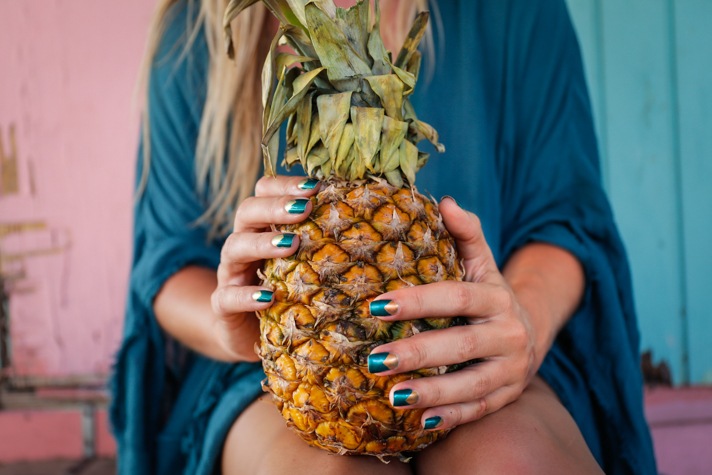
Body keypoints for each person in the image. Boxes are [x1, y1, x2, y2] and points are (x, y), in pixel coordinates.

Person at [110, 0, 658, 473]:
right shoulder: (200, 29)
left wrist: (521, 325)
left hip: (485, 352)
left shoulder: (514, 10)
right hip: (271, 373)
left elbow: (563, 217)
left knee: (512, 461)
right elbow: (166, 261)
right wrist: (232, 326)